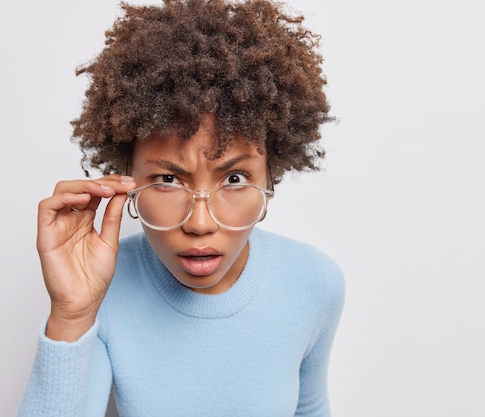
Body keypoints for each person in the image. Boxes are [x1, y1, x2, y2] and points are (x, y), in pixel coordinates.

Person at [17, 0, 344, 416]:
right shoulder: (105, 287)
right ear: (125, 180)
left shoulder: (315, 283)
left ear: (270, 177)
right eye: (168, 180)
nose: (201, 224)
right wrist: (71, 315)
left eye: (235, 179)